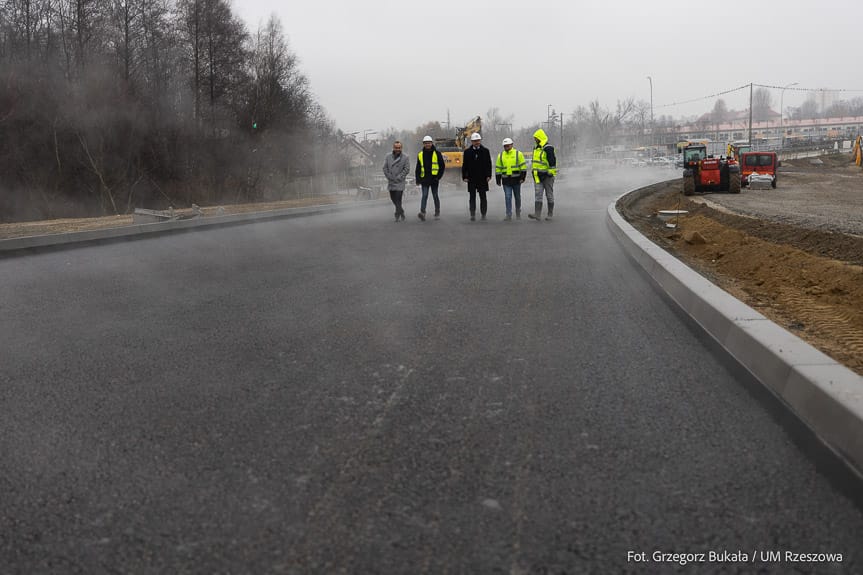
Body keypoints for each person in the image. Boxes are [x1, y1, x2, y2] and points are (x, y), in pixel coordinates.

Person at [461, 132, 492, 221]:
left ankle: (483, 214)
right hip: (471, 178)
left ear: (480, 140)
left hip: (482, 178)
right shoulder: (467, 152)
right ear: (472, 142)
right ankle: (472, 214)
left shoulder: (485, 151)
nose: (476, 142)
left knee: (483, 196)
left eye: (478, 140)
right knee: (472, 197)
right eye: (475, 141)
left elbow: (488, 164)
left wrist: (488, 175)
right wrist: (464, 176)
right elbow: (465, 165)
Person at [495, 137, 527, 221]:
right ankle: (508, 214)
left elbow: (523, 167)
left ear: (512, 145)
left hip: (516, 180)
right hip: (506, 181)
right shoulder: (500, 155)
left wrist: (523, 177)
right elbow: (498, 168)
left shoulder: (518, 154)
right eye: (505, 146)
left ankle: (518, 212)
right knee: (508, 197)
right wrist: (498, 179)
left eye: (508, 146)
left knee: (517, 197)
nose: (506, 147)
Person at [528, 128, 557, 221]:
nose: (535, 140)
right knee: (538, 194)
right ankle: (537, 214)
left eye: (536, 138)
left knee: (549, 195)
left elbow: (552, 162)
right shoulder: (536, 148)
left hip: (547, 176)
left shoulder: (548, 148)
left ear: (540, 138)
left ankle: (550, 214)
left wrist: (550, 173)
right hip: (537, 176)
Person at [415, 135, 446, 221]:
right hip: (424, 179)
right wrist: (417, 179)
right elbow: (418, 168)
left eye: (429, 143)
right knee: (424, 195)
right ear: (423, 144)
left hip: (434, 179)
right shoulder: (420, 154)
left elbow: (442, 166)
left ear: (432, 143)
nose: (427, 144)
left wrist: (438, 177)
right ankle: (422, 212)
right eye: (426, 143)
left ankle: (437, 211)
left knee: (435, 195)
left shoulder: (437, 153)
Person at [382, 140, 410, 222]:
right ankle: (401, 211)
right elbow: (384, 168)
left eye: (399, 148)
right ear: (393, 148)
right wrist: (389, 176)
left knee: (398, 199)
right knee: (393, 198)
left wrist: (400, 177)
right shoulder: (388, 156)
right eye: (396, 147)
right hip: (391, 181)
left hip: (399, 182)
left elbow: (407, 169)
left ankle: (397, 214)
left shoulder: (405, 157)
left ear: (401, 148)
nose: (397, 149)